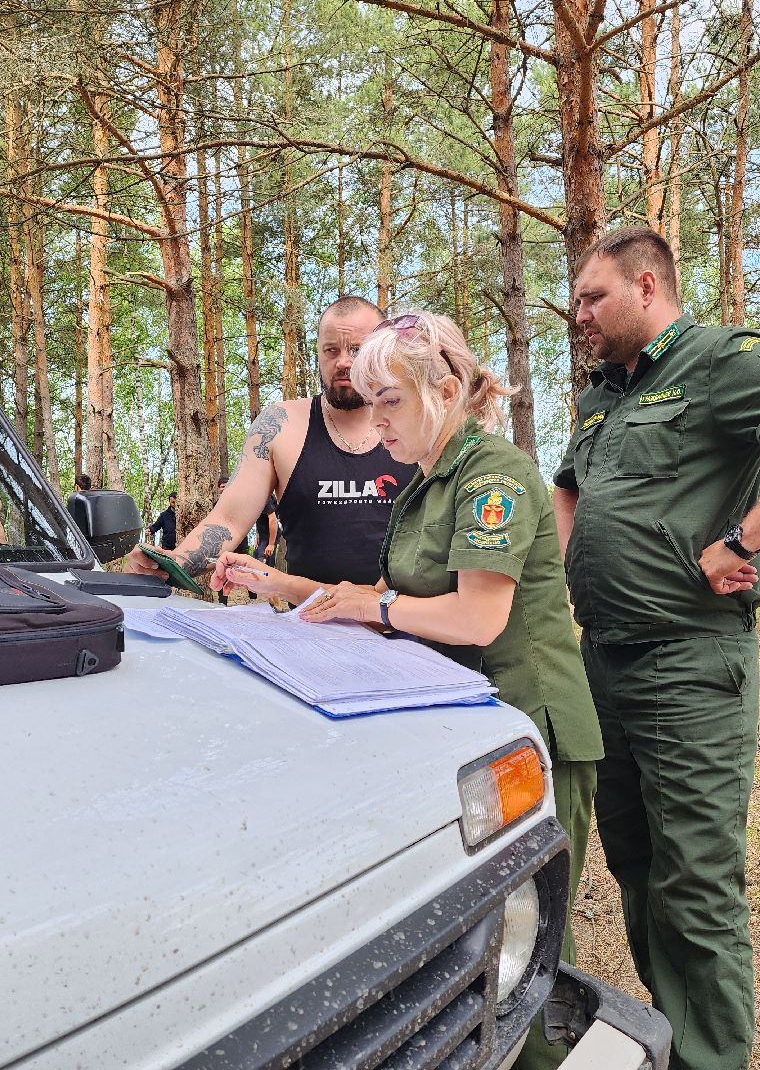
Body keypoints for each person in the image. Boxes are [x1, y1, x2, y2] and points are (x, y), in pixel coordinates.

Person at [212, 311, 602, 1070]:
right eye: (368, 397)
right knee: (470, 937)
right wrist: (280, 584)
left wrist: (374, 606)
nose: (375, 416)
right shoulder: (422, 484)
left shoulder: (493, 475)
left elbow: (478, 615)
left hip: (530, 724)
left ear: (444, 389)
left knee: (524, 937)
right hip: (463, 727)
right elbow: (387, 591)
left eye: (388, 399)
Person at [554, 226, 760, 1070]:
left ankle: (710, 1059)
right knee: (635, 860)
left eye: (594, 298)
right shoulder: (601, 392)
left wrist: (745, 537)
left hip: (688, 664)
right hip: (605, 660)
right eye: (577, 300)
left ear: (648, 287)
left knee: (695, 883)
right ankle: (680, 1035)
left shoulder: (715, 359)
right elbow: (569, 491)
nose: (579, 314)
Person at [124, 296, 403, 584]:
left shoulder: (416, 425)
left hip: (406, 622)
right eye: (331, 350)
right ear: (318, 353)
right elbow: (228, 520)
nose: (343, 361)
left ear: (384, 352)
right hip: (308, 622)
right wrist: (170, 564)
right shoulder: (281, 425)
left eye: (357, 350)